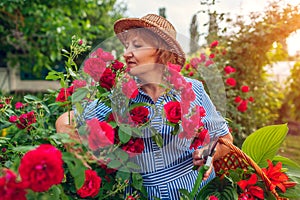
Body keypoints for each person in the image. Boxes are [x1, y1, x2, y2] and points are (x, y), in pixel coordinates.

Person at [56, 14, 233, 200]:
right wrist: (74, 146)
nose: (126, 53)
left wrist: (209, 153)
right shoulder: (120, 96)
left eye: (137, 45)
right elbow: (68, 119)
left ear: (161, 52)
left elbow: (225, 138)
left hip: (194, 191)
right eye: (127, 46)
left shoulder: (191, 89)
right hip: (144, 194)